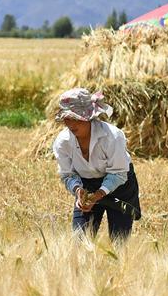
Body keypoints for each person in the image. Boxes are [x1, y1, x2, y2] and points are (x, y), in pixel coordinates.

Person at [52, 88, 141, 241]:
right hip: (87, 187)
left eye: (76, 118)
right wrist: (78, 190)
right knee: (80, 241)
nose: (71, 124)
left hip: (120, 187)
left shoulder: (112, 136)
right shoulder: (62, 142)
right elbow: (67, 174)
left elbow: (119, 173)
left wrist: (99, 194)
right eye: (67, 118)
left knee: (119, 242)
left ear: (89, 118)